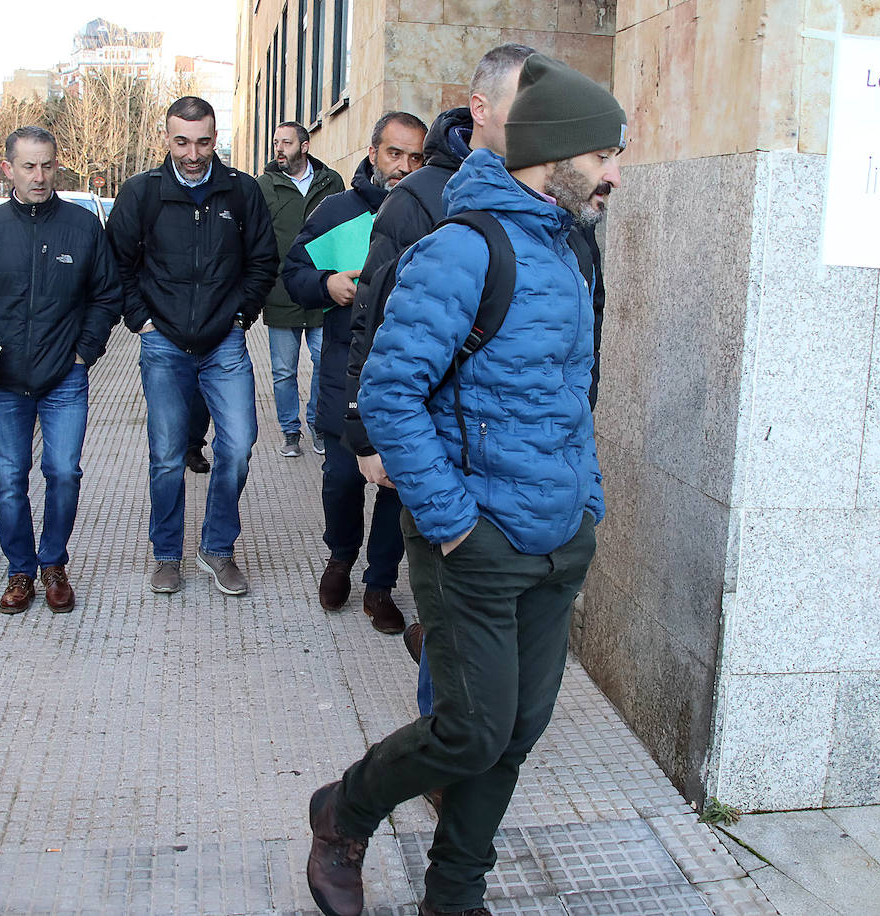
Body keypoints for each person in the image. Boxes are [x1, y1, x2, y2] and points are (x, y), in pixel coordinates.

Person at [305, 54, 625, 916]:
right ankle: (345, 809)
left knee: (517, 731)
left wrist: (587, 501)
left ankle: (454, 896)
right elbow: (388, 392)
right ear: (554, 151)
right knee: (471, 728)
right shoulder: (461, 247)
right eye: (604, 155)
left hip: (560, 536)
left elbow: (571, 393)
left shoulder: (574, 251)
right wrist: (452, 523)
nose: (616, 174)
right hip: (472, 541)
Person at [0, 125, 122, 615]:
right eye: (28, 166)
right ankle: (21, 570)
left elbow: (107, 295)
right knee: (10, 478)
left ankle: (54, 562)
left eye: (47, 166)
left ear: (57, 165)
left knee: (63, 471)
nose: (39, 177)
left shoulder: (82, 228)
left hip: (65, 376)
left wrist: (85, 351)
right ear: (8, 169)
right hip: (3, 383)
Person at [106, 96, 278, 596]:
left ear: (215, 137)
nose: (193, 152)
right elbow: (117, 265)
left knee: (240, 445)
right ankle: (166, 554)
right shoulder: (142, 193)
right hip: (163, 345)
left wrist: (241, 315)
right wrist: (140, 321)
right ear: (167, 138)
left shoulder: (241, 192)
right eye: (182, 140)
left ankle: (217, 548)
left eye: (203, 141)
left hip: (224, 344)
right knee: (165, 454)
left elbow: (263, 262)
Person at [281, 111, 427, 633]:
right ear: (372, 154)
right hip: (345, 376)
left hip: (408, 382)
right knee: (341, 480)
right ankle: (340, 556)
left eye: (416, 157)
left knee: (395, 485)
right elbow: (292, 273)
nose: (404, 167)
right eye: (395, 153)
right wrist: (326, 286)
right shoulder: (337, 210)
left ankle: (380, 583)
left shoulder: (435, 214)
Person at [257, 121, 346, 457]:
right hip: (281, 291)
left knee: (325, 361)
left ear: (305, 146)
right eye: (276, 142)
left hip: (323, 288)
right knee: (283, 370)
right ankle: (290, 431)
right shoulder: (264, 186)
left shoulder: (331, 182)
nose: (280, 149)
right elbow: (257, 239)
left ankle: (317, 424)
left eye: (287, 142)